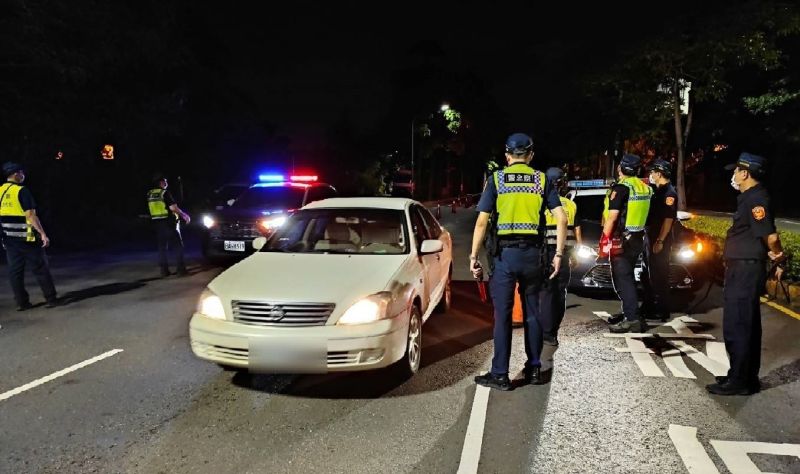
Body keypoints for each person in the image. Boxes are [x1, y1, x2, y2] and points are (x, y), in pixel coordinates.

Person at [469, 133, 567, 390]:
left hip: (504, 257)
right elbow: (561, 217)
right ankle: (534, 369)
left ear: (507, 155)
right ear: (531, 155)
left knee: (502, 315)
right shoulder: (542, 180)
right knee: (532, 313)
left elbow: (482, 221)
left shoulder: (497, 180)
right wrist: (558, 254)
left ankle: (500, 374)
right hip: (534, 255)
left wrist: (473, 256)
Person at [706, 153, 785, 396]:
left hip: (745, 269)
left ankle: (740, 381)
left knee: (738, 323)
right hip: (743, 267)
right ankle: (743, 376)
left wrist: (778, 256)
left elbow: (770, 235)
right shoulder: (749, 198)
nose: (733, 176)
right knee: (744, 323)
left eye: (735, 171)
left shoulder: (756, 199)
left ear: (745, 173)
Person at [600, 154, 653, 333]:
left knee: (622, 279)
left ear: (621, 168)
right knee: (627, 277)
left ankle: (632, 319)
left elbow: (613, 216)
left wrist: (604, 239)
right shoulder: (644, 187)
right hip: (637, 237)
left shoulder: (621, 188)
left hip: (621, 239)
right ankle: (631, 312)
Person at [0, 162, 58, 310]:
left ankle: (22, 303)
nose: (23, 175)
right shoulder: (22, 191)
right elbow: (31, 215)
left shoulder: (0, 191)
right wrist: (42, 234)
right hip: (27, 238)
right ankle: (51, 299)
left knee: (15, 272)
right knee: (40, 267)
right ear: (15, 174)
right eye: (21, 172)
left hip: (9, 239)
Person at [540, 167, 582, 348]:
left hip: (547, 253)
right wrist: (575, 252)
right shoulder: (570, 205)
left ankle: (547, 333)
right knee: (560, 293)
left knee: (547, 292)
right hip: (565, 253)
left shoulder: (541, 203)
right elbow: (576, 230)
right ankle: (553, 331)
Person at [640, 159, 678, 322]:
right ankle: (651, 306)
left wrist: (660, 241)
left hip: (659, 239)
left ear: (660, 173)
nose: (651, 175)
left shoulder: (669, 193)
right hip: (651, 236)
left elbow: (668, 220)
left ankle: (662, 309)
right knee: (650, 273)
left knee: (659, 275)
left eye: (653, 172)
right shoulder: (658, 191)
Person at [147, 173, 191, 277]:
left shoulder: (150, 193)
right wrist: (184, 215)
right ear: (161, 182)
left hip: (157, 223)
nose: (166, 183)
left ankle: (164, 271)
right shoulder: (164, 193)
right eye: (165, 181)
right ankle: (181, 270)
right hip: (169, 223)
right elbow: (173, 208)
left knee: (162, 248)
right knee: (178, 246)